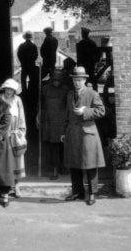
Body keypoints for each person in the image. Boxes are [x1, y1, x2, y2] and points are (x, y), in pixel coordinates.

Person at [62, 66, 106, 205]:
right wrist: (64, 131)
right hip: (72, 133)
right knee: (74, 164)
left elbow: (101, 111)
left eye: (80, 80)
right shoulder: (69, 94)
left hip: (88, 134)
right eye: (75, 80)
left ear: (85, 80)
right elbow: (67, 115)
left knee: (90, 163)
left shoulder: (92, 94)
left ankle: (92, 193)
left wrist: (85, 111)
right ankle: (78, 192)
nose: (77, 83)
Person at [39, 67, 72, 179]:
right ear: (52, 79)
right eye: (55, 79)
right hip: (49, 120)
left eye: (59, 79)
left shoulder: (66, 89)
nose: (56, 82)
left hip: (61, 120)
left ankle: (63, 167)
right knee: (52, 146)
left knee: (62, 145)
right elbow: (41, 105)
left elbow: (68, 105)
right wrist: (38, 115)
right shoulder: (44, 89)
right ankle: (54, 169)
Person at [0, 78, 27, 198]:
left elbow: (21, 117)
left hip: (15, 134)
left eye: (11, 89)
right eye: (7, 88)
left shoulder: (17, 100)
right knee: (5, 161)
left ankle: (17, 186)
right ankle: (5, 187)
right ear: (4, 88)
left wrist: (21, 132)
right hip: (3, 135)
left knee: (17, 160)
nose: (9, 91)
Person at [17, 32, 39, 100]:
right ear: (31, 37)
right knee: (32, 79)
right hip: (32, 65)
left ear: (25, 37)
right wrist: (32, 61)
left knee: (23, 79)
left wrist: (22, 62)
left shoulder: (21, 45)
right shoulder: (33, 45)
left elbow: (19, 55)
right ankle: (30, 92)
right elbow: (36, 55)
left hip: (24, 65)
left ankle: (24, 92)